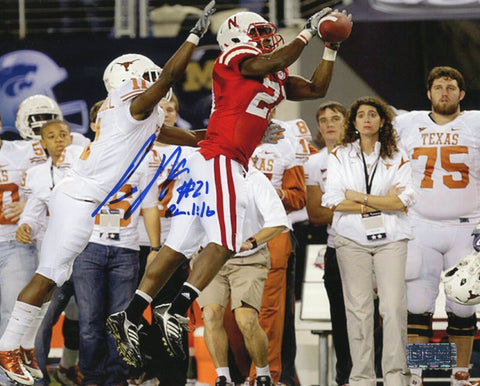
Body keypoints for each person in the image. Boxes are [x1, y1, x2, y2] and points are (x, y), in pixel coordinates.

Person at [107, 7, 352, 382]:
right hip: (221, 158)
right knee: (225, 242)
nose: (267, 36)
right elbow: (275, 58)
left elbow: (316, 88)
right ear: (237, 36)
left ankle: (130, 311)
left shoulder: (273, 70)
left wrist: (330, 48)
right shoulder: (234, 58)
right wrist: (307, 32)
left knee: (180, 246)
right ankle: (177, 307)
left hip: (212, 159)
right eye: (258, 31)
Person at [0, 2, 215, 383]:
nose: (152, 81)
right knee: (48, 274)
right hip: (79, 201)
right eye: (145, 75)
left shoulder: (142, 118)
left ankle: (16, 346)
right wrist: (193, 37)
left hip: (81, 200)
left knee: (52, 278)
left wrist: (239, 132)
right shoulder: (128, 106)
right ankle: (7, 348)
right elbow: (165, 80)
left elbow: (192, 139)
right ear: (130, 79)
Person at [394, 66, 480, 386]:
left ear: (462, 93)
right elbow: (368, 129)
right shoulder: (406, 123)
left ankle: (458, 373)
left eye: (451, 87)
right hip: (421, 224)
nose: (445, 92)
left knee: (462, 304)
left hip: (466, 227)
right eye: (439, 86)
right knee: (418, 306)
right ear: (429, 93)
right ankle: (421, 372)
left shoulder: (476, 122)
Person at [322, 97, 415, 385]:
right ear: (353, 122)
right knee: (358, 310)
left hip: (392, 237)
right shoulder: (339, 155)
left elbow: (403, 200)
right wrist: (379, 202)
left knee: (393, 308)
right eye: (360, 115)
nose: (366, 119)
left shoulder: (398, 154)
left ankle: (396, 376)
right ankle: (361, 377)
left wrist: (358, 197)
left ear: (383, 121)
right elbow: (333, 200)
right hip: (351, 238)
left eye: (372, 114)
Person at [198, 166, 289, 386]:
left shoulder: (255, 178)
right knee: (210, 314)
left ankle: (263, 374)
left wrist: (252, 241)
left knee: (246, 319)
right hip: (211, 256)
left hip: (248, 257)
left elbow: (278, 221)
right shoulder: (201, 174)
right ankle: (223, 377)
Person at [15, 120, 85, 385]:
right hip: (52, 257)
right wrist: (25, 225)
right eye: (51, 136)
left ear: (72, 138)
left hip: (87, 254)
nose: (58, 140)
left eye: (63, 135)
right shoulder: (38, 174)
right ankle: (36, 376)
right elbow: (32, 213)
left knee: (85, 321)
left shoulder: (85, 167)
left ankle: (78, 372)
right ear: (42, 143)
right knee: (42, 321)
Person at [249, 120, 306, 385]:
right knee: (226, 309)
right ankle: (234, 373)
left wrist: (274, 193)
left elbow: (298, 197)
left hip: (273, 233)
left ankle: (267, 375)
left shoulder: (287, 140)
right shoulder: (229, 131)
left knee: (271, 311)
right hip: (232, 233)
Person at [305, 101, 352, 386]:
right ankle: (344, 378)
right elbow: (316, 214)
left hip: (375, 246)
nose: (329, 124)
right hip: (336, 246)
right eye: (323, 120)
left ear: (347, 122)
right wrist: (355, 206)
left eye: (336, 118)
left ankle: (385, 375)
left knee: (381, 316)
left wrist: (340, 207)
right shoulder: (313, 162)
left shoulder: (364, 154)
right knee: (340, 319)